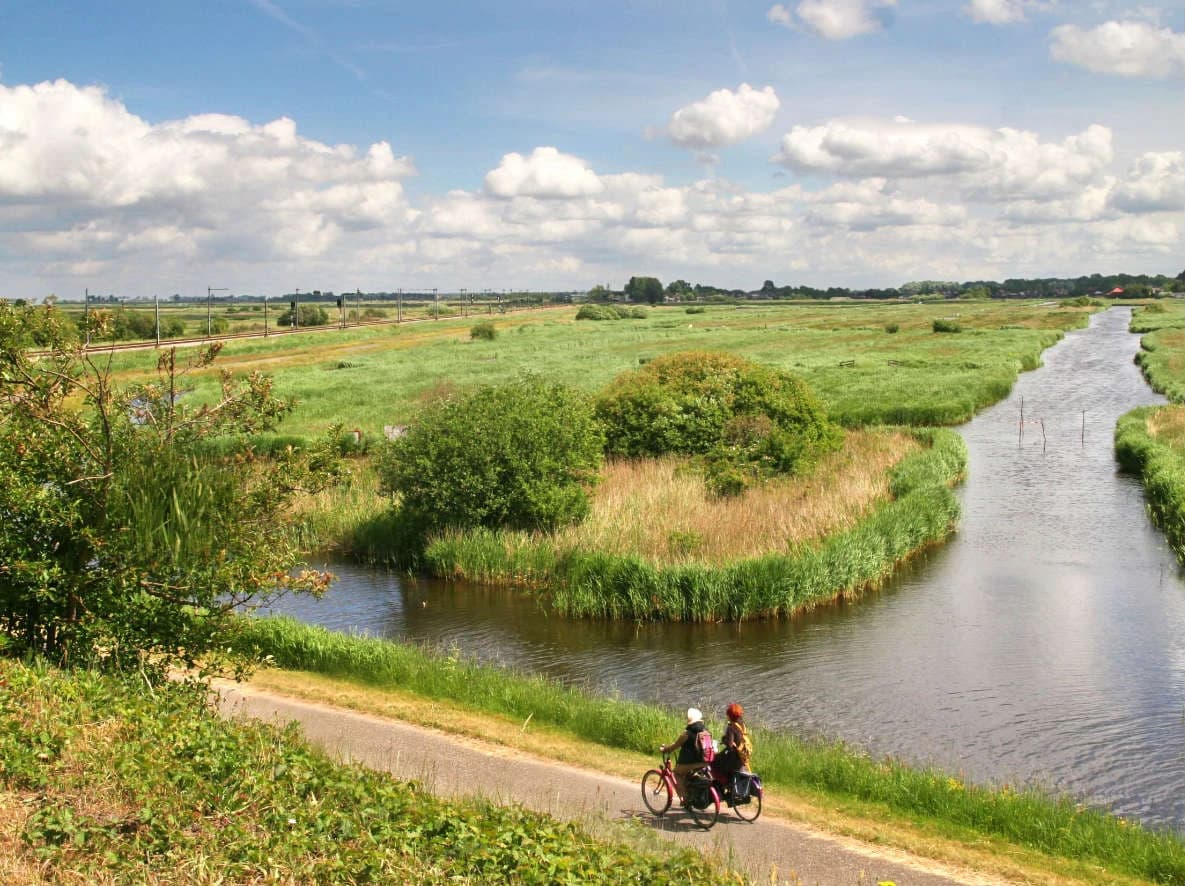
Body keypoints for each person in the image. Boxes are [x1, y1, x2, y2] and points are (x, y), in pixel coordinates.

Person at [660, 707, 710, 802]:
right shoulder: (706, 731)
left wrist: (664, 749)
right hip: (705, 761)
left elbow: (674, 746)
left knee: (676, 773)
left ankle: (685, 799)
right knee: (688, 774)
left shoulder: (686, 734)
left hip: (690, 763)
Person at [713, 702, 752, 778]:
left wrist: (724, 740)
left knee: (714, 761)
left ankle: (721, 784)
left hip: (734, 759)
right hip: (742, 758)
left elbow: (730, 746)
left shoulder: (731, 727)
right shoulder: (742, 725)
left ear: (729, 716)